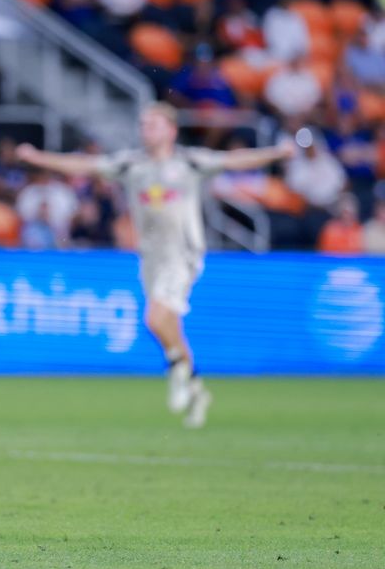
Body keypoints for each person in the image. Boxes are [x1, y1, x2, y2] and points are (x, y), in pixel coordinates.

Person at [16, 103, 292, 429]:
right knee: (169, 325)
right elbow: (84, 166)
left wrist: (277, 152)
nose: (147, 129)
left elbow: (235, 161)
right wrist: (38, 158)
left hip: (182, 253)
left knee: (155, 317)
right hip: (151, 256)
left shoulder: (189, 162)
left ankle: (176, 369)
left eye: (154, 124)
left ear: (171, 130)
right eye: (144, 124)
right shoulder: (131, 165)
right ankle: (195, 387)